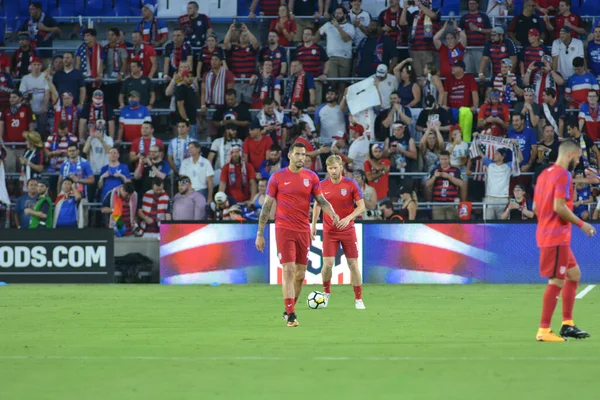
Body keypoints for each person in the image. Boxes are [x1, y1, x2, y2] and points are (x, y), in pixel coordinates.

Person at [255, 142, 339, 328]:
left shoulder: (311, 177)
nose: (302, 157)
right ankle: (292, 315)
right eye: (298, 154)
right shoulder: (277, 177)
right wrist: (260, 233)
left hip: (303, 229)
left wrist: (332, 212)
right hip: (284, 228)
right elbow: (267, 206)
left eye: (304, 154)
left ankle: (288, 309)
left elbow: (321, 200)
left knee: (300, 275)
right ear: (290, 155)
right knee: (289, 269)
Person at [532, 139, 595, 342]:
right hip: (556, 235)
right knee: (557, 280)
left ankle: (567, 324)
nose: (577, 161)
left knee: (574, 274)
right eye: (577, 157)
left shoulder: (544, 174)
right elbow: (559, 207)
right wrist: (581, 224)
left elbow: (535, 207)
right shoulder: (563, 175)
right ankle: (543, 330)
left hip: (548, 233)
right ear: (569, 155)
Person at [310, 155, 366, 309]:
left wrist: (348, 218)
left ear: (341, 167)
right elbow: (317, 205)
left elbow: (361, 206)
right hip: (330, 231)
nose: (333, 171)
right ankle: (326, 294)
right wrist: (313, 225)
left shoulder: (351, 184)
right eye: (330, 168)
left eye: (335, 167)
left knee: (353, 264)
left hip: (347, 230)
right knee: (327, 264)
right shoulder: (321, 185)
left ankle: (358, 299)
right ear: (327, 169)